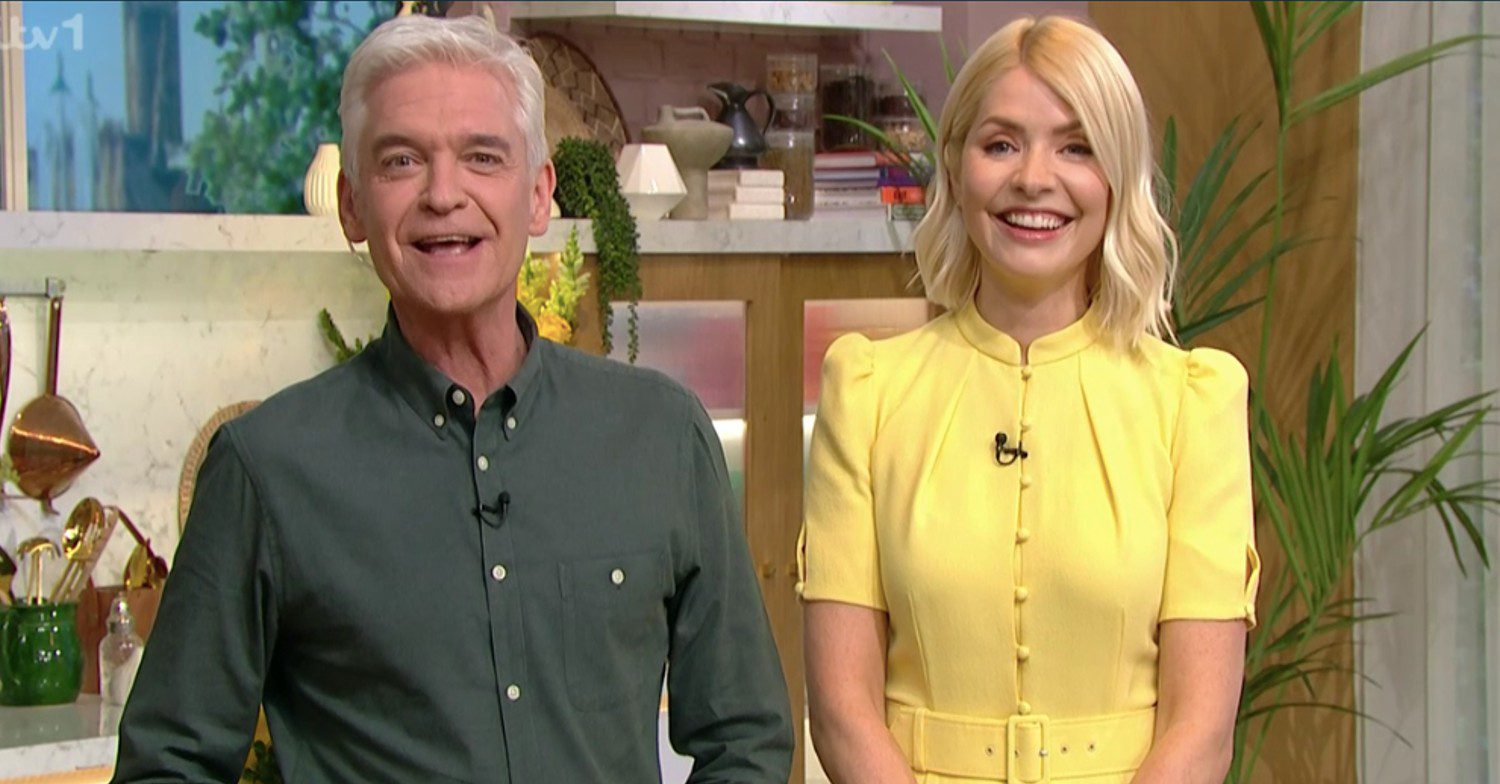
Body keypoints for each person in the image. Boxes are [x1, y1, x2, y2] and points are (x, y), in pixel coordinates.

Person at [112, 15, 792, 784]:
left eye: (482, 157)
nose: (444, 195)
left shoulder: (661, 437)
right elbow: (165, 768)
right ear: (352, 205)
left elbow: (746, 741)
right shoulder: (265, 469)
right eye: (402, 161)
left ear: (538, 198)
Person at [799, 16, 1259, 784]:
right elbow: (843, 714)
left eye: (1076, 147)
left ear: (1116, 178)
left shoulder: (1194, 405)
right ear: (957, 166)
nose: (1035, 179)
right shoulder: (868, 392)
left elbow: (1199, 731)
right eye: (1002, 143)